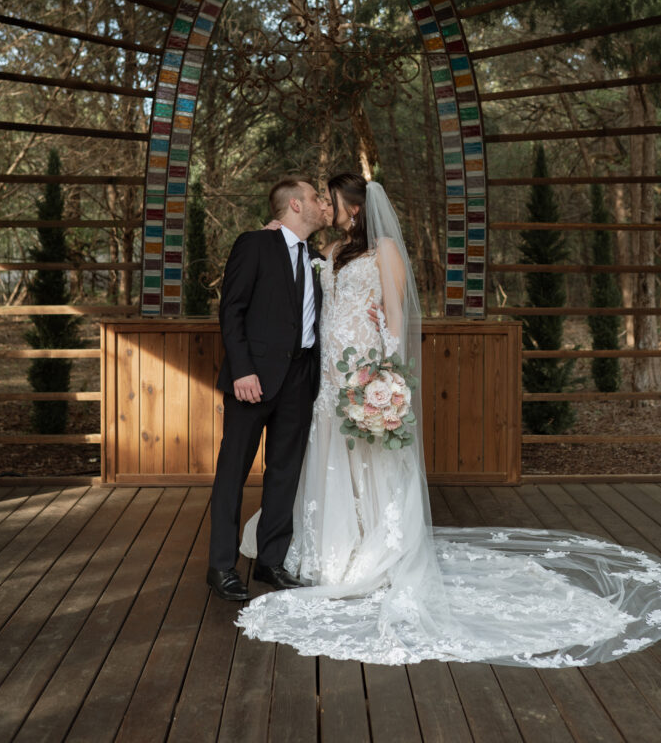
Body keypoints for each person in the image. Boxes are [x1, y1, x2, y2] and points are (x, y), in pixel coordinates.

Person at [236, 172, 661, 666]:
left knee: (369, 461)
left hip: (363, 370)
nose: (324, 209)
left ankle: (370, 551)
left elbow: (396, 319)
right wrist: (272, 231)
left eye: (328, 201)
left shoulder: (385, 251)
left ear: (353, 207)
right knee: (329, 458)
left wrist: (386, 378)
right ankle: (326, 548)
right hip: (324, 379)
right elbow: (298, 283)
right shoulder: (328, 251)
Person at [207, 177, 326, 601]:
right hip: (253, 378)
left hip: (300, 378)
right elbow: (232, 310)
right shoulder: (255, 244)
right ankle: (221, 566)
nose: (322, 203)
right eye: (315, 197)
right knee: (233, 471)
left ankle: (270, 561)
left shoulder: (317, 257)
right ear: (295, 205)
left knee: (284, 472)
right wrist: (242, 370)